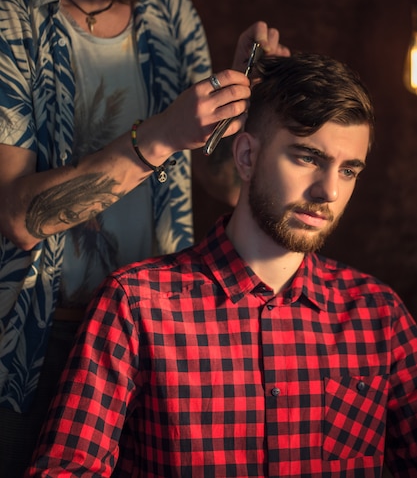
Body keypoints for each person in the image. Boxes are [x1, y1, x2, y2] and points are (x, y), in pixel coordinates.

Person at [0, 0, 288, 474]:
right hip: (30, 348)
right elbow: (19, 218)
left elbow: (218, 183)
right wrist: (158, 136)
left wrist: (243, 107)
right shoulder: (8, 14)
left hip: (153, 332)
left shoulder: (170, 9)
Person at [26, 52, 417, 477]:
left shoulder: (379, 315)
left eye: (349, 171)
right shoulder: (137, 307)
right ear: (246, 157)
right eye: (308, 158)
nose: (329, 192)